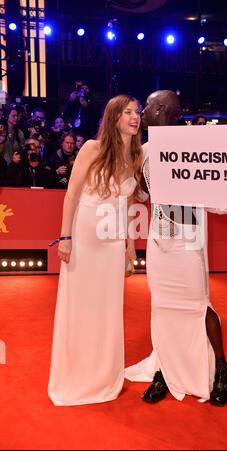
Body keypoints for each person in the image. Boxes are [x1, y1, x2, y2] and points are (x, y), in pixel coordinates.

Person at [125, 90, 227, 406]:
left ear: (164, 109)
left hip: (188, 238)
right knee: (162, 307)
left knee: (199, 303)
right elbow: (141, 194)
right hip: (158, 242)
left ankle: (221, 368)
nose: (143, 110)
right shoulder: (144, 151)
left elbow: (212, 189)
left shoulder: (194, 147)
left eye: (148, 106)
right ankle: (166, 370)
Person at [48, 95, 142, 406]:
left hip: (113, 241)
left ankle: (103, 372)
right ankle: (77, 372)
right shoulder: (92, 148)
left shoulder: (136, 157)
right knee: (82, 305)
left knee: (108, 307)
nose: (134, 117)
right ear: (114, 116)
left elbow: (129, 204)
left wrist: (130, 246)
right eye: (127, 112)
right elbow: (71, 195)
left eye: (137, 112)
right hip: (86, 236)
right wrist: (65, 237)